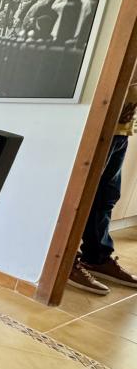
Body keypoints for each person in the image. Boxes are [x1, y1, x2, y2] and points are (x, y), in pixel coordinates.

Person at [69, 79, 137, 294]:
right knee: (77, 198)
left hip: (121, 130)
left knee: (105, 198)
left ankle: (96, 258)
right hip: (98, 126)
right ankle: (64, 262)